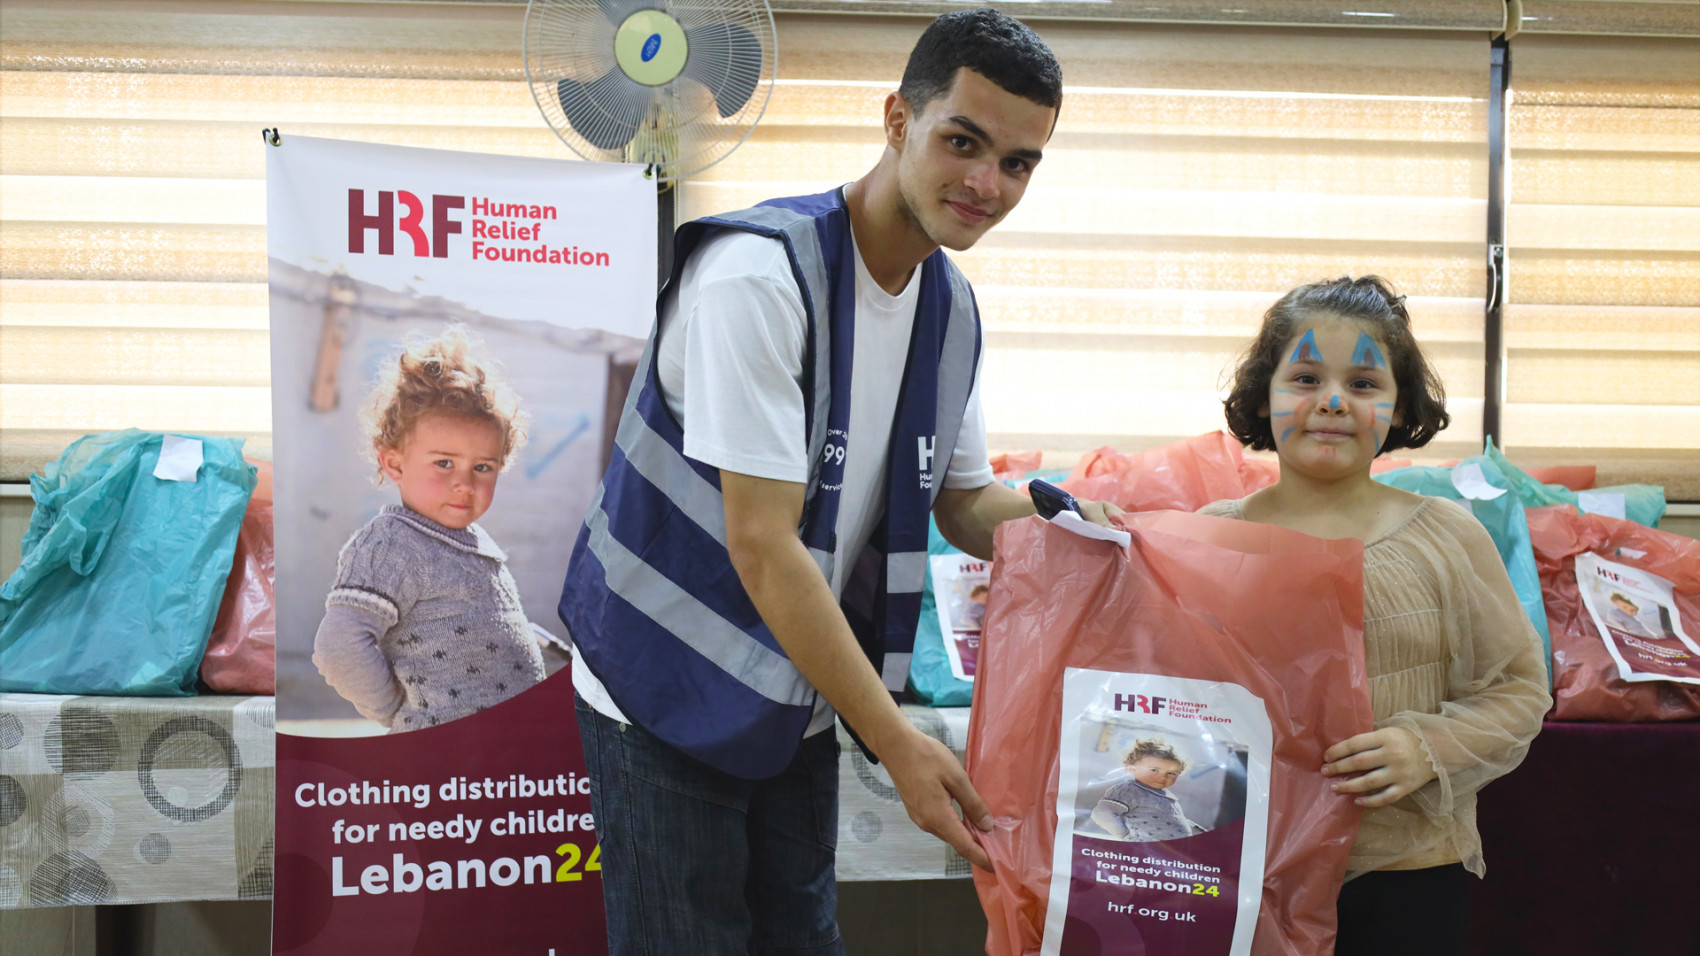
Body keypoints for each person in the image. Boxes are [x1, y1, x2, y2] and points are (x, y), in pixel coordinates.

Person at [557, 10, 1117, 953]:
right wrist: (899, 745)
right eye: (963, 142)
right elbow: (764, 544)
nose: (986, 184)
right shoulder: (759, 278)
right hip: (660, 678)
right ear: (898, 118)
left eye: (1018, 163)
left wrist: (1070, 527)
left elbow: (964, 503)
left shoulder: (948, 305)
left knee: (800, 934)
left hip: (790, 684)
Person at [1203, 275, 1551, 955]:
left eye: (1362, 385)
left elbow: (1518, 688)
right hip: (1249, 865)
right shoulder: (1209, 539)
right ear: (1263, 394)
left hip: (1407, 871)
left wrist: (1427, 748)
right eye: (1304, 378)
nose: (1332, 402)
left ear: (1398, 405)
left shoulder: (1448, 536)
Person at [313, 327, 545, 732]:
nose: (464, 482)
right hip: (446, 758)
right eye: (443, 463)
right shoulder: (392, 543)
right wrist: (395, 713)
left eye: (483, 467)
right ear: (396, 465)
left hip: (505, 758)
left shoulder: (472, 541)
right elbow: (339, 646)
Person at [1090, 738, 1206, 842]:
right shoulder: (1130, 790)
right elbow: (1102, 813)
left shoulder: (1165, 795)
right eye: (1154, 770)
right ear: (1131, 767)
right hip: (1147, 850)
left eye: (1171, 773)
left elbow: (1174, 820)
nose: (1163, 777)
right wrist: (1125, 835)